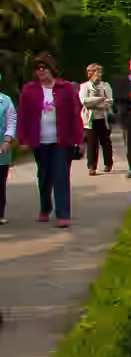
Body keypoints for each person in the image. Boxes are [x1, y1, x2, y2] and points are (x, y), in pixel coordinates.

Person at [16, 52, 82, 227]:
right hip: (40, 141)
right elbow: (22, 115)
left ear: (51, 68)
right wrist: (22, 139)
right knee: (44, 176)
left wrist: (79, 138)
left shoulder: (66, 88)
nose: (41, 71)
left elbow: (75, 113)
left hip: (61, 140)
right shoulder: (29, 90)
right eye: (37, 69)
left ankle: (63, 214)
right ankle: (45, 209)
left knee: (61, 175)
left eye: (44, 67)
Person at [79, 63, 114, 175]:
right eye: (97, 72)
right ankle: (91, 167)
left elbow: (109, 102)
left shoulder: (105, 85)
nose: (99, 74)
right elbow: (84, 101)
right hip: (90, 119)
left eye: (100, 72)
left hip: (103, 118)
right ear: (90, 73)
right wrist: (100, 99)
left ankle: (108, 163)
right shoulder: (84, 86)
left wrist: (95, 103)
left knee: (106, 142)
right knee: (91, 143)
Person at [0, 72, 15, 225]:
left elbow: (11, 122)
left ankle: (0, 213)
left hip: (1, 147)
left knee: (0, 182)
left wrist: (7, 139)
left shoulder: (6, 101)